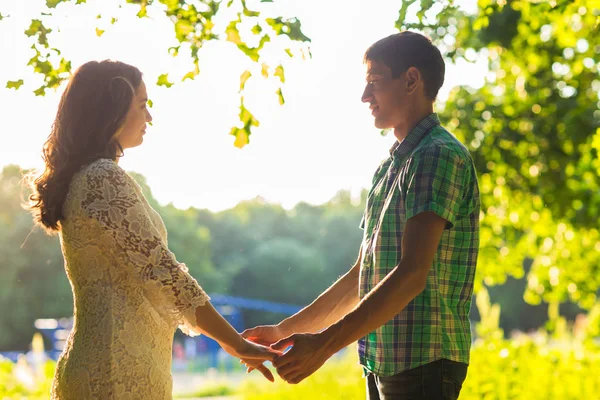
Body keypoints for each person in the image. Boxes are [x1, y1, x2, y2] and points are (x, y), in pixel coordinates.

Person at [243, 31, 480, 399]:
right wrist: (281, 332)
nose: (364, 96)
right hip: (382, 364)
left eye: (374, 82)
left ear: (411, 80)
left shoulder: (438, 155)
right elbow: (361, 277)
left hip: (423, 367)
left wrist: (323, 345)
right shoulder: (389, 167)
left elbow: (412, 274)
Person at [27, 60, 278, 400]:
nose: (149, 118)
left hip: (121, 365)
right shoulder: (102, 179)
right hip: (115, 372)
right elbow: (164, 273)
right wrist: (234, 342)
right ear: (111, 111)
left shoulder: (89, 177)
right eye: (142, 105)